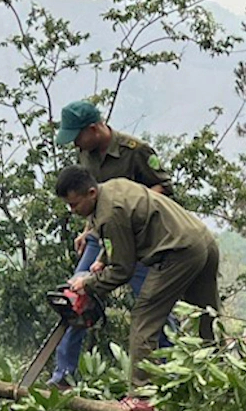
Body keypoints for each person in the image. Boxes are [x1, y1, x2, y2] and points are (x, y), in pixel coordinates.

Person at [55, 165, 220, 411]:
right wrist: (102, 259)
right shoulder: (113, 187)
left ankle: (143, 395)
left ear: (90, 192)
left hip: (178, 253)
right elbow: (121, 235)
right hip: (201, 240)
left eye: (75, 204)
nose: (73, 211)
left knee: (144, 318)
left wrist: (87, 284)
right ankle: (218, 382)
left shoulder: (110, 213)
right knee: (206, 318)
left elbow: (123, 270)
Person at [49, 99, 177, 388]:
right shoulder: (86, 155)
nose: (76, 145)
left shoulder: (136, 151)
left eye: (77, 137)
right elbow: (90, 196)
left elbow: (164, 187)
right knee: (75, 297)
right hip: (99, 236)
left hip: (137, 239)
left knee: (152, 304)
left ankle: (172, 371)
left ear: (94, 129)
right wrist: (87, 229)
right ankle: (63, 376)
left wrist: (132, 205)